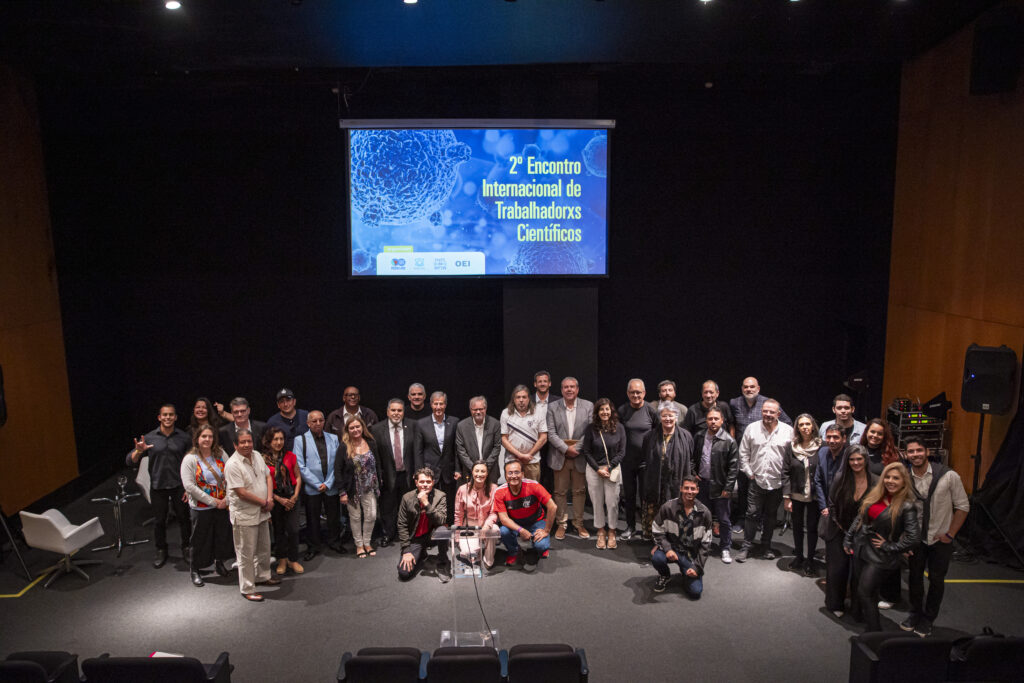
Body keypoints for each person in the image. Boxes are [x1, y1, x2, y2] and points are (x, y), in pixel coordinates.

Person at [902, 437, 969, 637]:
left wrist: (951, 534)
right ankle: (915, 612)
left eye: (919, 450)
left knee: (937, 580)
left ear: (928, 451)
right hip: (916, 538)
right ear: (906, 455)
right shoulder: (904, 477)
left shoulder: (949, 476)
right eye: (911, 451)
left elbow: (963, 506)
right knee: (914, 578)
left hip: (940, 539)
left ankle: (929, 618)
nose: (915, 455)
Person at [844, 461, 921, 631]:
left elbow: (915, 538)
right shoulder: (875, 495)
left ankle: (875, 630)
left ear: (903, 481)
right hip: (860, 548)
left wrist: (889, 546)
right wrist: (848, 539)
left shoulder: (907, 506)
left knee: (866, 591)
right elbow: (860, 518)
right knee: (862, 589)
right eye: (887, 477)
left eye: (896, 478)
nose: (890, 481)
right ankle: (866, 623)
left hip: (880, 556)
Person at [126, 403, 191, 569]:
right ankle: (161, 550)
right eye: (165, 415)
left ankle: (187, 547)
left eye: (171, 415)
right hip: (158, 486)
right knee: (160, 521)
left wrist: (189, 486)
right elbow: (129, 460)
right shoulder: (148, 438)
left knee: (184, 519)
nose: (168, 418)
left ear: (175, 417)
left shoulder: (184, 438)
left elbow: (191, 463)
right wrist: (139, 451)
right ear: (159, 417)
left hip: (179, 485)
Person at [728, 377, 792, 532]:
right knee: (744, 489)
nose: (749, 390)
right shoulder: (734, 403)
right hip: (743, 452)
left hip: (764, 453)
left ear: (758, 388)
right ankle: (743, 520)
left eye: (752, 387)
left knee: (766, 494)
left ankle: (762, 522)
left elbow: (787, 422)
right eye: (746, 387)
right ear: (742, 388)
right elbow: (731, 423)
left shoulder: (767, 404)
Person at [224, 429, 279, 602]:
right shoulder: (232, 464)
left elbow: (268, 477)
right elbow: (241, 493)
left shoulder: (256, 455)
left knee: (264, 547)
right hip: (245, 515)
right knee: (246, 553)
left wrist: (269, 498)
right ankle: (247, 587)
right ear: (235, 444)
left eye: (249, 441)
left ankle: (263, 576)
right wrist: (264, 503)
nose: (247, 445)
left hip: (262, 511)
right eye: (243, 442)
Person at [822, 445, 876, 617]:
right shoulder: (840, 478)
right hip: (838, 529)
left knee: (859, 573)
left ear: (866, 460)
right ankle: (835, 604)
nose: (855, 462)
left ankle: (857, 609)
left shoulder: (875, 481)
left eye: (859, 459)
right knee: (837, 569)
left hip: (863, 532)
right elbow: (831, 504)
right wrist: (843, 529)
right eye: (852, 459)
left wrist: (859, 531)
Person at [736, 399, 793, 562]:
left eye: (771, 412)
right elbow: (743, 453)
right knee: (752, 514)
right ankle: (746, 546)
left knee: (771, 516)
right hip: (757, 481)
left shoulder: (788, 431)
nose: (767, 414)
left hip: (777, 483)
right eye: (765, 411)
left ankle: (766, 546)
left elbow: (791, 457)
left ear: (778, 414)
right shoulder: (752, 429)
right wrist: (749, 472)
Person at [179, 424, 233, 587]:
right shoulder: (190, 459)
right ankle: (194, 568)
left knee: (221, 536)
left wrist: (227, 499)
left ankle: (219, 563)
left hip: (223, 505)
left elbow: (232, 475)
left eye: (210, 436)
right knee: (200, 539)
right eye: (204, 436)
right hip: (202, 508)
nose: (207, 439)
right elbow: (189, 486)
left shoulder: (221, 453)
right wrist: (213, 501)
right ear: (197, 438)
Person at [546, 377, 594, 539]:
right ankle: (562, 524)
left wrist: (576, 449)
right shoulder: (552, 407)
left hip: (580, 456)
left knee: (580, 491)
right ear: (561, 390)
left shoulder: (588, 406)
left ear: (577, 389)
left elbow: (590, 431)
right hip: (560, 455)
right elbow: (551, 433)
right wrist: (566, 449)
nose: (569, 390)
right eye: (566, 387)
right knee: (560, 492)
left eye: (572, 387)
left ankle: (579, 524)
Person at [294, 410, 345, 559]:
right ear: (308, 423)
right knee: (312, 518)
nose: (318, 423)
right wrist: (317, 484)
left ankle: (335, 542)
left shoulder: (333, 438)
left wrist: (328, 483)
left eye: (320, 420)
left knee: (334, 517)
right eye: (314, 421)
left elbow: (337, 463)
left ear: (324, 422)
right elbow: (300, 466)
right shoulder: (300, 440)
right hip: (312, 487)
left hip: (331, 485)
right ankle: (314, 546)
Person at [651, 476, 712, 597]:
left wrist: (697, 568)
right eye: (687, 488)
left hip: (690, 555)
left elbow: (706, 544)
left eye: (693, 489)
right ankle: (664, 575)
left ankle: (686, 573)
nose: (690, 491)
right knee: (657, 558)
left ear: (698, 490)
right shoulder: (668, 507)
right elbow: (657, 529)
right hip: (672, 549)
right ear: (681, 489)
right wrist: (667, 548)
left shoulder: (705, 513)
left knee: (695, 592)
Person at [642, 402, 694, 541]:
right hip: (655, 482)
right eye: (664, 416)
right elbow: (645, 457)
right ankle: (656, 538)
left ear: (676, 417)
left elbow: (691, 458)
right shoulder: (650, 436)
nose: (668, 419)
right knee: (656, 510)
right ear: (660, 417)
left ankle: (672, 539)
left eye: (671, 416)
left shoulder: (686, 436)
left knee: (675, 510)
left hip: (676, 482)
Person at [493, 460, 558, 571]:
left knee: (541, 546)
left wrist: (547, 530)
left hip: (536, 521)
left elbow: (553, 507)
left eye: (517, 472)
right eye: (510, 473)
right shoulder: (499, 492)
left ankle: (538, 547)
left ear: (523, 474)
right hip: (515, 523)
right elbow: (503, 519)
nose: (513, 476)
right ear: (505, 475)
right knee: (503, 531)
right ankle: (514, 551)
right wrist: (521, 530)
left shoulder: (534, 486)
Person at [580, 398, 625, 549]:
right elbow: (586, 451)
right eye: (601, 410)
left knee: (612, 503)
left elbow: (622, 452)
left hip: (612, 470)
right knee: (597, 502)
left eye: (607, 409)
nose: (604, 412)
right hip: (594, 470)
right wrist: (597, 469)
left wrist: (609, 467)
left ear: (611, 411)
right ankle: (600, 531)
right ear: (597, 412)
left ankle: (612, 531)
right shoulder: (591, 429)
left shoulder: (620, 428)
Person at [695, 407, 738, 563]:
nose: (712, 422)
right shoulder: (699, 436)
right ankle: (701, 544)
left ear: (722, 421)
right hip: (702, 484)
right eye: (710, 419)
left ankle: (725, 547)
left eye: (716, 419)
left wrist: (728, 488)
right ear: (706, 421)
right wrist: (693, 473)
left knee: (724, 519)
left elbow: (734, 468)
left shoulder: (729, 441)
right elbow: (693, 457)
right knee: (701, 517)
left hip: (720, 487)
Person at [618, 379, 660, 541]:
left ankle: (646, 528)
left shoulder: (651, 410)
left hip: (646, 462)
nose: (636, 395)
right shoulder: (622, 410)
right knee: (629, 495)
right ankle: (630, 527)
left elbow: (659, 434)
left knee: (645, 496)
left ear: (644, 393)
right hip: (627, 461)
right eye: (632, 392)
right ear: (628, 393)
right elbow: (617, 434)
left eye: (639, 392)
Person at [371, 398, 416, 547]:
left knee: (408, 506)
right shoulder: (377, 429)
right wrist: (378, 475)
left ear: (403, 412)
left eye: (400, 410)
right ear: (388, 411)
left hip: (407, 474)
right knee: (387, 507)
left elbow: (417, 452)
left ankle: (408, 534)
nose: (396, 413)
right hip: (387, 475)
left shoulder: (412, 426)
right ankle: (388, 534)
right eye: (393, 410)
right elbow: (375, 456)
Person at [336, 415, 382, 558]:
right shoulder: (344, 446)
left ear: (362, 427)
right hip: (352, 489)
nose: (355, 430)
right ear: (347, 430)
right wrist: (342, 492)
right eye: (352, 428)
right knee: (355, 517)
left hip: (369, 487)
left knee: (371, 515)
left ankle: (367, 542)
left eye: (358, 426)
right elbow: (337, 470)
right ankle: (359, 545)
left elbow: (378, 464)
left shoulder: (371, 442)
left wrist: (379, 480)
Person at [782, 414, 822, 576]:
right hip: (796, 494)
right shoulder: (790, 447)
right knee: (797, 528)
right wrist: (786, 497)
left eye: (807, 424)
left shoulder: (822, 446)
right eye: (801, 425)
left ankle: (810, 560)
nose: (805, 427)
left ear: (813, 426)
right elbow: (784, 473)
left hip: (814, 496)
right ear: (797, 428)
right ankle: (799, 557)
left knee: (812, 528)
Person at [413, 391, 460, 525]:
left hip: (448, 471)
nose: (438, 407)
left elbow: (456, 449)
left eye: (441, 404)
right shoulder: (421, 424)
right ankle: (431, 531)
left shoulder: (454, 421)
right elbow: (418, 451)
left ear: (445, 405)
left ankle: (448, 528)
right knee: (430, 501)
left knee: (449, 501)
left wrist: (458, 469)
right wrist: (419, 473)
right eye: (435, 404)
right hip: (429, 471)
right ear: (431, 405)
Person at [397, 467, 450, 582]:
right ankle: (421, 553)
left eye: (428, 482)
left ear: (433, 482)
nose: (425, 484)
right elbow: (402, 524)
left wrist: (426, 503)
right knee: (404, 573)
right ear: (416, 483)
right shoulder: (407, 498)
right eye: (421, 482)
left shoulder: (440, 496)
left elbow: (441, 520)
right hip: (415, 538)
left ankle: (442, 561)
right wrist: (406, 550)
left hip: (432, 535)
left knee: (443, 530)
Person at [261, 427, 302, 576]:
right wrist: (278, 499)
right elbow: (262, 483)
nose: (279, 442)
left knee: (293, 530)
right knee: (279, 531)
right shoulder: (262, 459)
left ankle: (293, 559)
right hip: (274, 498)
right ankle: (282, 559)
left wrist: (295, 496)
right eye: (275, 439)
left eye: (281, 439)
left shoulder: (290, 456)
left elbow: (297, 477)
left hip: (292, 496)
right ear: (269, 441)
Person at [453, 461, 499, 569]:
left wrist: (486, 526)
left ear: (487, 473)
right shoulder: (462, 489)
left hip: (486, 523)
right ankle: (475, 551)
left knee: (494, 530)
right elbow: (458, 514)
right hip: (469, 525)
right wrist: (457, 534)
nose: (479, 474)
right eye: (477, 471)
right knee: (469, 552)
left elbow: (494, 513)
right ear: (472, 473)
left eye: (483, 471)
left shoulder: (494, 488)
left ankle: (488, 559)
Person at [500, 385, 548, 483]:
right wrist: (520, 455)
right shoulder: (506, 413)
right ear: (513, 399)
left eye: (524, 397)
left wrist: (528, 455)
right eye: (518, 397)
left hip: (532, 461)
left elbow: (543, 437)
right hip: (512, 461)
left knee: (532, 494)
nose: (521, 400)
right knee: (513, 493)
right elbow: (503, 439)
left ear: (529, 399)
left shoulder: (538, 412)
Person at [455, 396, 502, 482]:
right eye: (475, 409)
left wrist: (485, 467)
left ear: (485, 408)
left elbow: (497, 447)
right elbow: (461, 450)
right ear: (470, 409)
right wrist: (474, 468)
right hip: (469, 472)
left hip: (490, 471)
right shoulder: (461, 426)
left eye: (481, 409)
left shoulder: (495, 424)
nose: (478, 412)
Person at [814, 424, 849, 517]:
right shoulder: (822, 451)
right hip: (824, 507)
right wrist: (823, 506)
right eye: (828, 437)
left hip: (843, 508)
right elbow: (818, 480)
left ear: (844, 438)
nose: (832, 441)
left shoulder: (850, 456)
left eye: (836, 437)